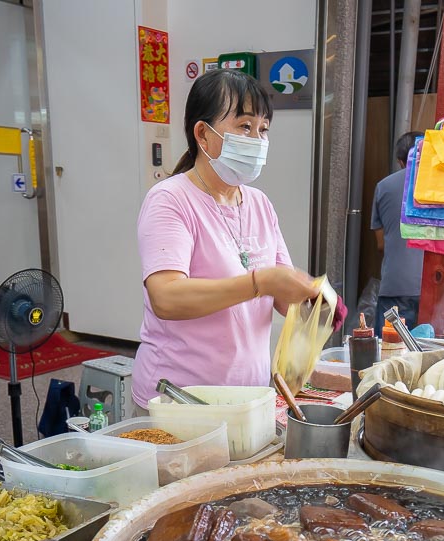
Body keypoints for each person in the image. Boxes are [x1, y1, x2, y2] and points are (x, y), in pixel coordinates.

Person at [133, 69, 323, 413]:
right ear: (203, 135)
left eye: (263, 129)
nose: (257, 139)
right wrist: (260, 282)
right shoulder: (170, 200)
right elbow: (166, 297)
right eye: (245, 126)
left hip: (247, 399)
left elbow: (282, 298)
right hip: (178, 401)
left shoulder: (259, 203)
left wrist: (310, 296)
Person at [371, 132, 424, 329]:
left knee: (390, 353)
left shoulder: (383, 187)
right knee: (434, 356)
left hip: (395, 287)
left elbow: (381, 244)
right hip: (434, 288)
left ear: (401, 162)